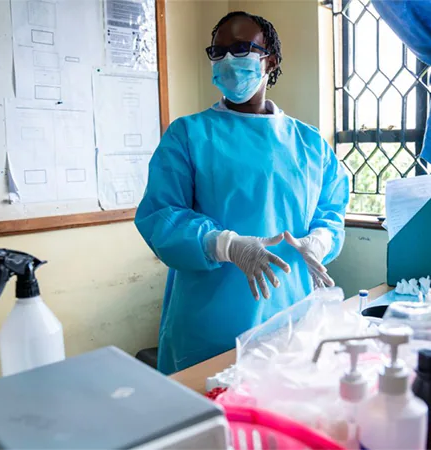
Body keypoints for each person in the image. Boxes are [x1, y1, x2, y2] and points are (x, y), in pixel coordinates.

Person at [135, 11, 350, 374]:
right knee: (211, 420)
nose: (228, 60)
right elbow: (160, 216)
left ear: (271, 61)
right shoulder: (189, 135)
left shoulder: (309, 142)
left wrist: (321, 240)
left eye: (241, 48)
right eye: (218, 52)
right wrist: (226, 245)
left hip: (291, 315)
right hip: (210, 324)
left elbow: (331, 208)